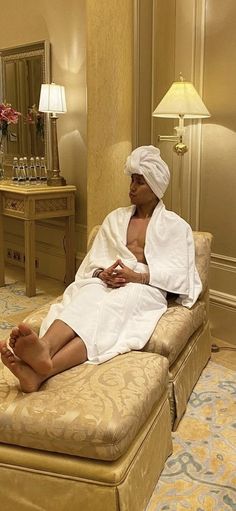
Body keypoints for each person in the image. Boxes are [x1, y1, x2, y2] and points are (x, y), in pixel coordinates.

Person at [0, 145, 202, 393]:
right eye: (131, 180)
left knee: (110, 312)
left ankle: (42, 371)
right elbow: (94, 261)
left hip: (145, 288)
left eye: (139, 182)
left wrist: (137, 276)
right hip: (111, 279)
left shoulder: (175, 226)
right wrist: (101, 273)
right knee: (88, 297)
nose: (131, 187)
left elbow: (179, 274)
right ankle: (44, 347)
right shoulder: (115, 218)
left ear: (155, 187)